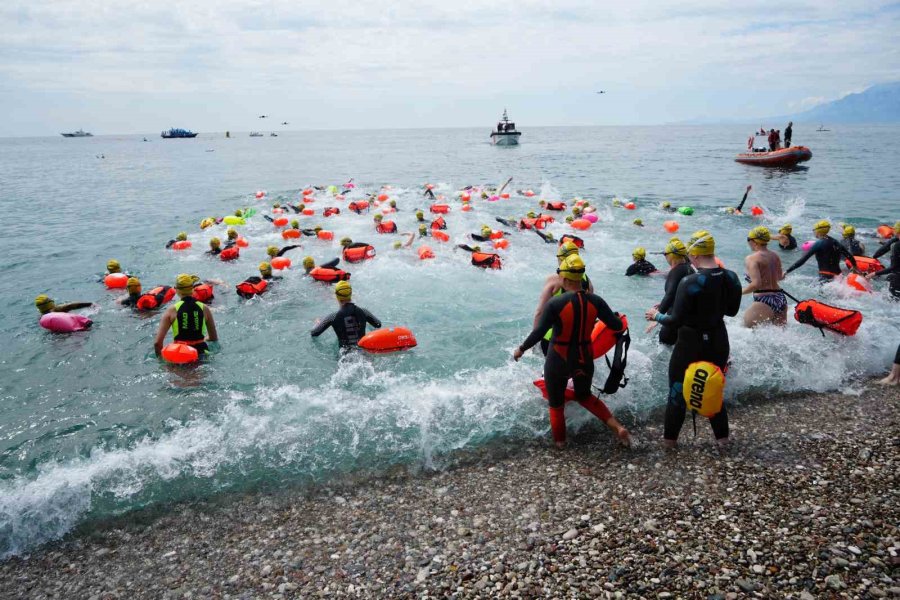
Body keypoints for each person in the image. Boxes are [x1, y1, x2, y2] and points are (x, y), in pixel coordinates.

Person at [513, 255, 630, 449]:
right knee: (585, 396)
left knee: (556, 404)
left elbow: (539, 332)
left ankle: (560, 444)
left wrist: (521, 349)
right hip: (584, 356)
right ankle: (617, 427)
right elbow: (616, 326)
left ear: (565, 278)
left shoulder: (555, 303)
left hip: (558, 357)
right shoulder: (596, 301)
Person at [645, 230, 741, 448]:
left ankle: (670, 443)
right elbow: (732, 311)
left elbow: (675, 320)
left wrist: (656, 316)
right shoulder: (731, 277)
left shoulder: (690, 281)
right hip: (718, 340)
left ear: (695, 254)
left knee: (677, 393)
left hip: (690, 343)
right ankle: (723, 441)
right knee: (714, 389)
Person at [533, 241, 594, 355]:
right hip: (577, 339)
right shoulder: (587, 280)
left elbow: (539, 312)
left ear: (561, 259)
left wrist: (534, 339)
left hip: (552, 337)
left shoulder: (554, 280)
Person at [153, 274, 219, 357]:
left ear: (177, 290)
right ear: (192, 288)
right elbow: (213, 338)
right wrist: (203, 339)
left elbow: (157, 343)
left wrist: (160, 359)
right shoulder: (205, 308)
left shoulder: (172, 310)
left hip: (180, 354)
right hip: (200, 353)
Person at [647, 238, 693, 345]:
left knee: (661, 347)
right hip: (687, 320)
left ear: (671, 256)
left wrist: (656, 317)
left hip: (673, 320)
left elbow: (670, 294)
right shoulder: (689, 269)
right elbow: (682, 293)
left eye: (665, 254)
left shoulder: (675, 272)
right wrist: (663, 304)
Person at [310, 281, 382, 348]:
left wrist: (318, 323)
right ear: (350, 294)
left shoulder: (333, 317)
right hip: (363, 351)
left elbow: (314, 333)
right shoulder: (364, 311)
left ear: (337, 296)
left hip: (345, 355)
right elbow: (378, 324)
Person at [741, 226, 787, 327]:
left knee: (745, 330)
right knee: (780, 334)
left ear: (754, 241)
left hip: (764, 299)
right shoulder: (775, 255)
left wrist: (739, 292)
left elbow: (756, 284)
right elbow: (779, 277)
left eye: (748, 239)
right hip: (780, 299)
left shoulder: (751, 258)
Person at [784, 220, 858, 282]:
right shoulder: (836, 242)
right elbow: (849, 256)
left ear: (818, 231)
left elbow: (803, 260)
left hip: (825, 277)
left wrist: (787, 271)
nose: (814, 232)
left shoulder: (819, 244)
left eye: (814, 230)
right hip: (838, 276)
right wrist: (854, 267)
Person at [867, 221, 900, 299]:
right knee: (888, 278)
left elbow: (894, 268)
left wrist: (874, 273)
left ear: (896, 231)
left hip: (897, 279)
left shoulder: (897, 246)